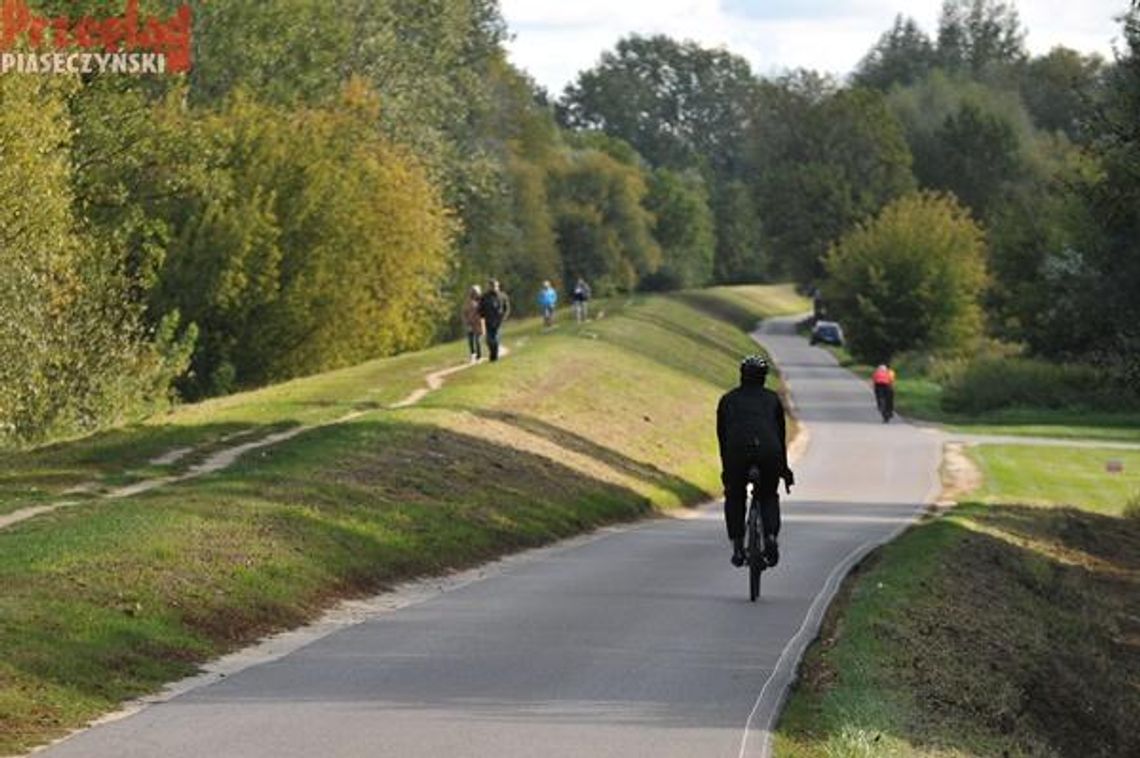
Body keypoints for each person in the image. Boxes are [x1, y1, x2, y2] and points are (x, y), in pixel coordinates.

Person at [717, 356, 794, 568]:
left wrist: (727, 471)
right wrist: (784, 470)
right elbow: (780, 436)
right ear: (763, 378)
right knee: (768, 495)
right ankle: (770, 536)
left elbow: (723, 439)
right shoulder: (772, 400)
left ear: (742, 375)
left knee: (735, 496)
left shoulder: (728, 400)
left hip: (736, 454)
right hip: (769, 453)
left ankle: (738, 545)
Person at [478, 278, 511, 362]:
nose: (494, 287)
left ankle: (494, 356)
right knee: (489, 340)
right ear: (489, 286)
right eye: (491, 286)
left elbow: (506, 308)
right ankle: (493, 353)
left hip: (498, 320)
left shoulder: (503, 296)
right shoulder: (484, 297)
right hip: (488, 320)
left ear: (498, 286)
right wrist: (481, 316)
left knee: (495, 338)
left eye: (495, 286)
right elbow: (480, 308)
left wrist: (503, 317)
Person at [462, 285, 484, 363]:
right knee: (471, 340)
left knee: (478, 340)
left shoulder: (481, 301)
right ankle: (473, 354)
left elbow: (482, 313)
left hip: (478, 323)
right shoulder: (468, 302)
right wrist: (466, 321)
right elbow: (464, 312)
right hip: (470, 323)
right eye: (473, 292)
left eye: (475, 292)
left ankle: (479, 355)